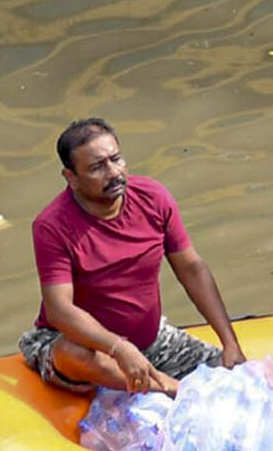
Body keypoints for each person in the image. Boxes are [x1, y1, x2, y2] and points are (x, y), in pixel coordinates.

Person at [21, 118, 244, 395]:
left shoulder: (153, 197)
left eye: (116, 159)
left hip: (152, 342)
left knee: (236, 378)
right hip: (88, 348)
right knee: (72, 352)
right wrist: (118, 347)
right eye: (97, 167)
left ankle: (160, 383)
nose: (113, 173)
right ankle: (171, 390)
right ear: (71, 178)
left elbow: (192, 268)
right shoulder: (52, 225)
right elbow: (59, 310)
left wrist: (229, 341)